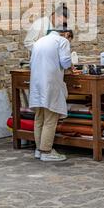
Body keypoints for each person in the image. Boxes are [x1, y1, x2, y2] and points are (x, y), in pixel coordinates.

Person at [29, 29, 73, 162]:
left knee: (39, 118)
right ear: (66, 33)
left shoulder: (38, 42)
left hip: (37, 83)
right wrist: (71, 66)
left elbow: (31, 63)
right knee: (50, 118)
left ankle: (39, 149)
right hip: (50, 83)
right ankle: (46, 151)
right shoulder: (62, 41)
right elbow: (65, 62)